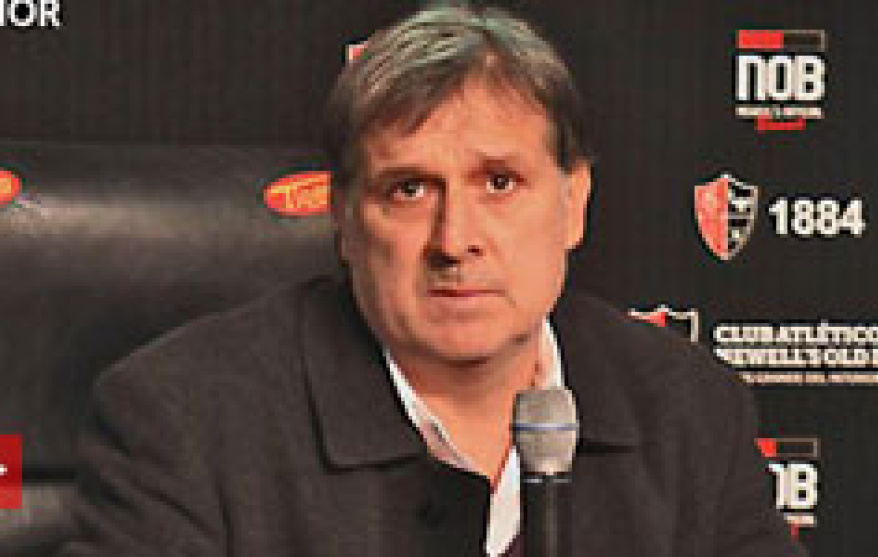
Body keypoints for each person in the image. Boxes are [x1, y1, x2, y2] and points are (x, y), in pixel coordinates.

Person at [59, 5, 805, 557]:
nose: (454, 241)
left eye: (500, 183)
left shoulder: (686, 408)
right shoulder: (185, 420)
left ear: (574, 202)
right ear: (344, 220)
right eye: (409, 190)